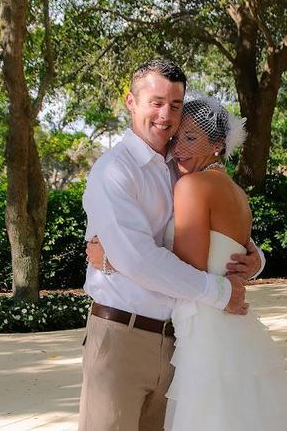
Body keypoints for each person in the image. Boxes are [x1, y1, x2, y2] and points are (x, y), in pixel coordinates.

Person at [79, 59, 264, 431]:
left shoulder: (179, 165)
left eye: (175, 105)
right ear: (131, 102)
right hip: (123, 339)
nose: (166, 115)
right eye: (156, 102)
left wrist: (253, 256)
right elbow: (140, 259)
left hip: (180, 342)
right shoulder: (113, 171)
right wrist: (221, 291)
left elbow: (203, 230)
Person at [160, 96, 287, 430]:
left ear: (217, 144)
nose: (178, 148)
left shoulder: (191, 186)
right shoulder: (236, 192)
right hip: (235, 325)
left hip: (206, 325)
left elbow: (188, 267)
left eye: (190, 138)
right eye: (175, 138)